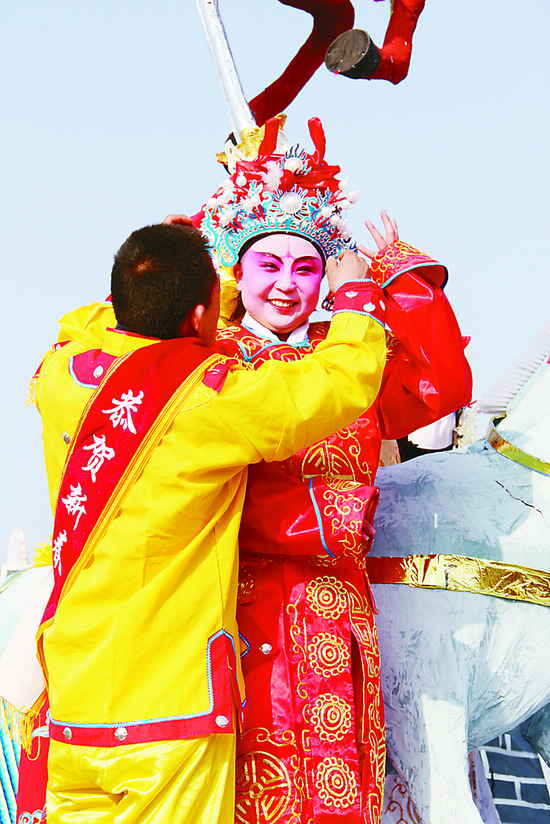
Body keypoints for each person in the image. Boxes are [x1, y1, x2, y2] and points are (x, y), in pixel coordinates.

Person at [30, 221, 387, 823]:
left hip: (75, 701)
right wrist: (354, 296)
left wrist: (174, 275)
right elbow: (341, 380)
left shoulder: (61, 374)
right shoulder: (210, 400)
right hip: (171, 711)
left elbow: (89, 320)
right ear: (202, 314)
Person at [184, 115, 473, 824]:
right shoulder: (209, 361)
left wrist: (395, 280)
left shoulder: (351, 352)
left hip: (339, 617)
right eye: (269, 265)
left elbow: (439, 386)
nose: (287, 286)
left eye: (306, 267)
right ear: (237, 270)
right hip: (240, 606)